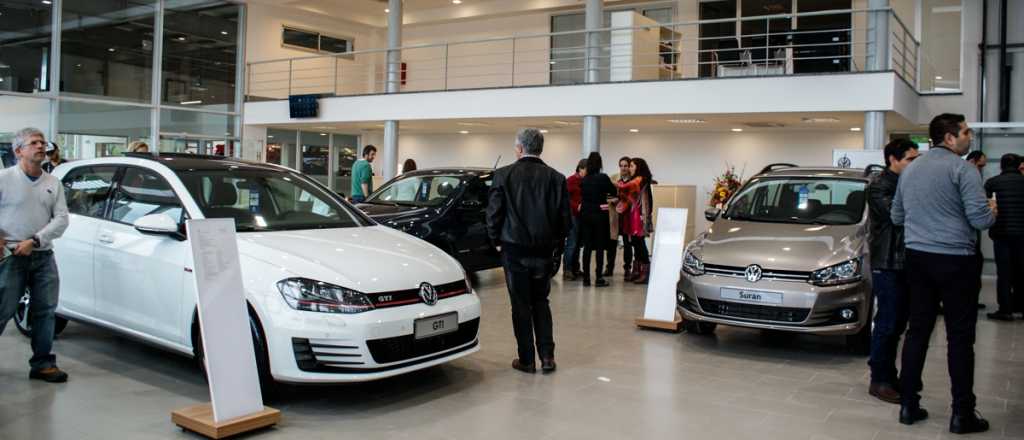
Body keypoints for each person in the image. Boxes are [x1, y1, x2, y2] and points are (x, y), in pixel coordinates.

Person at [892, 113, 996, 434]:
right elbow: (981, 221)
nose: (970, 137)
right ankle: (962, 414)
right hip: (955, 261)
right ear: (950, 138)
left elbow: (897, 216)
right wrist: (992, 211)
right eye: (965, 132)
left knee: (917, 331)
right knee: (960, 338)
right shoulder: (963, 169)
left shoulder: (911, 170)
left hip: (918, 259)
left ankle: (909, 405)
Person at [486, 128, 569, 374]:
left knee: (520, 306)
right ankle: (547, 356)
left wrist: (496, 241)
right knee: (541, 302)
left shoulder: (503, 175)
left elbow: (493, 213)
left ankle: (526, 359)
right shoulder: (557, 178)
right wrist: (558, 249)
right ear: (540, 149)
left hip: (514, 250)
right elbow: (565, 221)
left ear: (520, 149)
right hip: (544, 252)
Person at [0, 127, 71, 383]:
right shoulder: (4, 178)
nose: (41, 146)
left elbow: (62, 219)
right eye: (34, 143)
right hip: (10, 256)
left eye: (42, 142)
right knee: (3, 309)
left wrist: (36, 240)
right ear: (19, 151)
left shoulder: (53, 183)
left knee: (45, 311)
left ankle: (42, 364)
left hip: (42, 255)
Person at [866, 139, 919, 404]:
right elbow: (898, 216)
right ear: (893, 160)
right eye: (910, 159)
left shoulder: (905, 184)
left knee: (898, 324)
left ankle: (889, 373)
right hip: (887, 263)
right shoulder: (880, 186)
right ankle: (879, 379)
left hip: (907, 262)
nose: (914, 164)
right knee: (886, 323)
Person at [984, 153, 1024, 321]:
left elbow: (985, 206)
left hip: (1001, 234)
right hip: (1022, 235)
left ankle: (1005, 309)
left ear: (1001, 166)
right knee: (1022, 271)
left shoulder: (992, 183)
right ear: (1019, 166)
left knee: (1004, 272)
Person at [579, 152, 617, 287]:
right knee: (600, 246)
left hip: (586, 214)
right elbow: (613, 191)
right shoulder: (603, 178)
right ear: (600, 163)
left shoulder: (584, 180)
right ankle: (599, 277)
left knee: (587, 247)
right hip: (600, 214)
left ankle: (586, 279)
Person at [616, 158, 655, 284]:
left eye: (631, 166)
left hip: (640, 216)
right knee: (635, 243)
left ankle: (645, 271)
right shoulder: (637, 179)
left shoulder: (640, 179)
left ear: (638, 167)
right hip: (633, 216)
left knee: (639, 243)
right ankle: (637, 270)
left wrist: (618, 185)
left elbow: (628, 186)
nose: (629, 168)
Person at [563, 159, 587, 281]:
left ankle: (575, 268)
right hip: (573, 215)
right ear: (580, 168)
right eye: (586, 170)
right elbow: (565, 198)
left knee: (578, 244)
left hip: (582, 216)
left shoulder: (585, 181)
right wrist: (576, 206)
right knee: (572, 243)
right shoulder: (571, 180)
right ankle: (567, 270)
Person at [613, 157, 633, 280]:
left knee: (627, 244)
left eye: (626, 165)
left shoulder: (633, 182)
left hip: (628, 217)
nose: (624, 168)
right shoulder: (616, 181)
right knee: (612, 243)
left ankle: (627, 269)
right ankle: (609, 268)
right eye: (621, 165)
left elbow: (632, 199)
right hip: (616, 217)